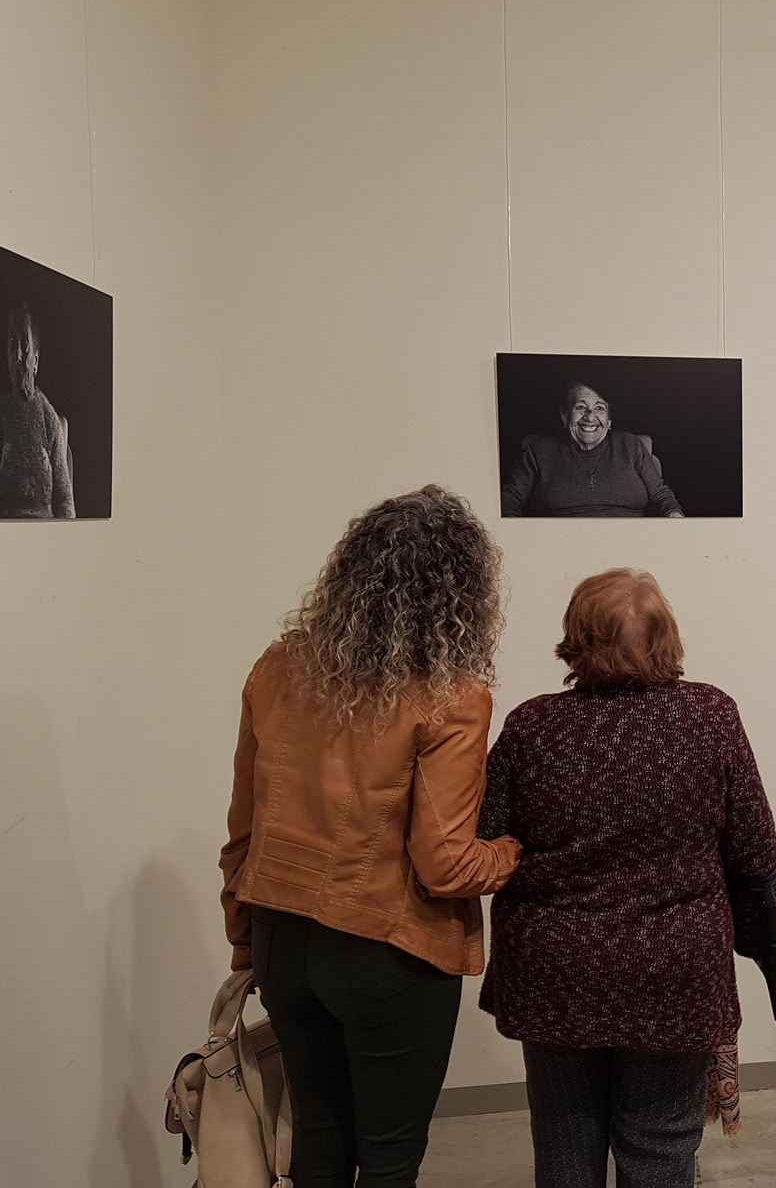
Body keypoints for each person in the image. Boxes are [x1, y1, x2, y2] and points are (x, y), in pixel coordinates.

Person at [219, 484, 522, 1188]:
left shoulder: (279, 667)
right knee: (389, 1157)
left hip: (282, 937)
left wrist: (244, 936)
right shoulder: (452, 696)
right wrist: (509, 855)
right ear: (462, 589)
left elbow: (244, 828)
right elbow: (445, 863)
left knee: (318, 1143)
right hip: (387, 949)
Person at [477, 567, 776, 1188]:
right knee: (661, 1151)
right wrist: (752, 934)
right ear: (667, 637)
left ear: (576, 639)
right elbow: (755, 849)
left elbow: (488, 839)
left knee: (564, 1148)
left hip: (556, 967)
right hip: (672, 966)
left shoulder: (531, 726)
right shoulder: (710, 715)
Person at [502, 381, 686, 517]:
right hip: (559, 545)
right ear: (565, 416)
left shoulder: (631, 446)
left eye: (599, 408)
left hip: (631, 545)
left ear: (609, 419)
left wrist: (673, 513)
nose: (590, 417)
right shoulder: (538, 453)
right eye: (581, 407)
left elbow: (660, 495)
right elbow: (510, 500)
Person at [1, 301, 74, 518]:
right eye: (12, 341)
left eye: (24, 343)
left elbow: (64, 500)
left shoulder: (50, 420)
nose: (17, 355)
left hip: (45, 538)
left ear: (36, 361)